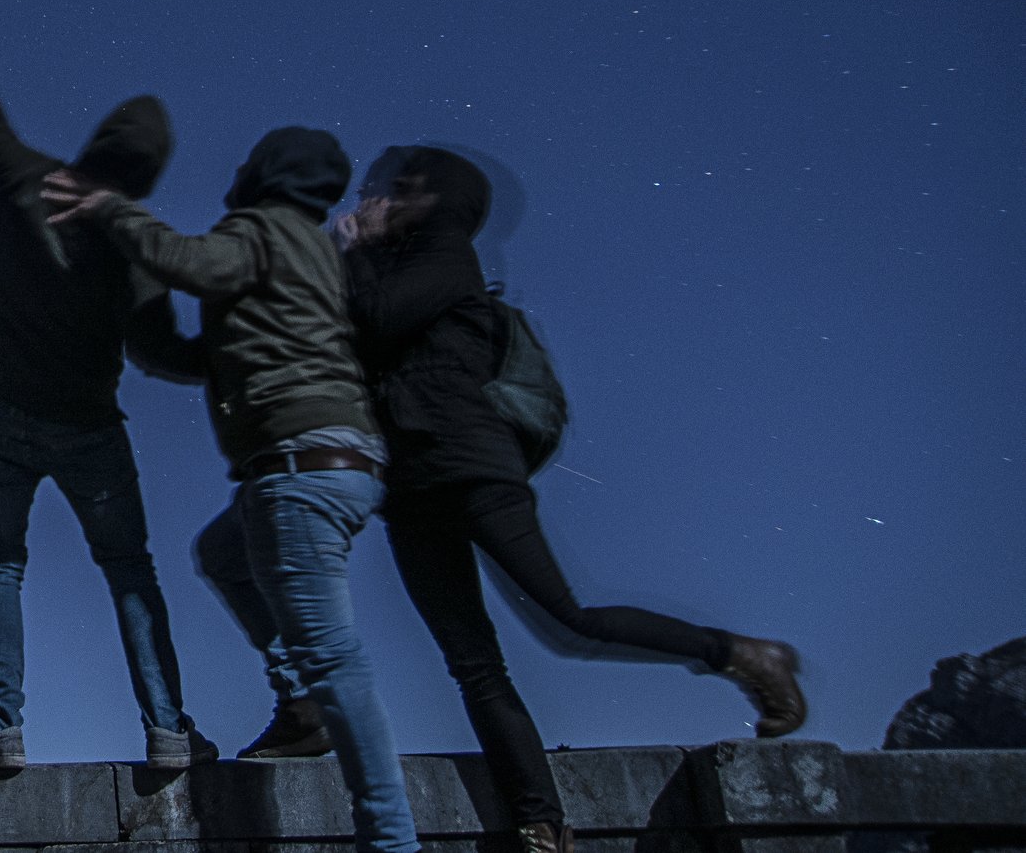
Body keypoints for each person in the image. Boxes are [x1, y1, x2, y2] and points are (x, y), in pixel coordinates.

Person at [329, 144, 805, 853]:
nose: (374, 200)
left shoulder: (447, 251)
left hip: (471, 465)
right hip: (410, 486)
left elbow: (379, 317)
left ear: (432, 200)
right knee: (473, 662)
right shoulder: (396, 263)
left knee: (568, 620)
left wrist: (353, 249)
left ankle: (744, 654)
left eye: (394, 191)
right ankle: (540, 823)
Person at [46, 129, 421, 853]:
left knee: (334, 654)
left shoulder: (266, 227)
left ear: (270, 174)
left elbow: (193, 263)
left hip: (301, 465)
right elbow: (195, 354)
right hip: (326, 461)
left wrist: (113, 212)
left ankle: (391, 838)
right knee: (223, 552)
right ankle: (301, 705)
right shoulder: (305, 249)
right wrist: (135, 290)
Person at [0, 0, 216, 772]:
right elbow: (162, 354)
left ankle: (1, 727)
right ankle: (167, 729)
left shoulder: (32, 180)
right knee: (130, 570)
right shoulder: (132, 245)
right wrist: (233, 357)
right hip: (91, 431)